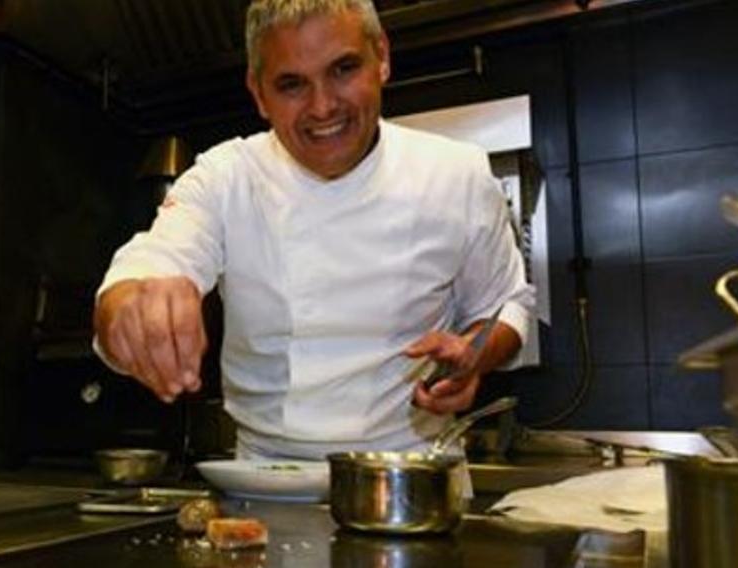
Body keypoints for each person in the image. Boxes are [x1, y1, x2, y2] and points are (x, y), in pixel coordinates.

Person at [93, 0, 533, 462]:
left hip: (413, 479)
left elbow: (507, 306)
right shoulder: (226, 177)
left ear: (381, 56)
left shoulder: (456, 174)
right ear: (259, 94)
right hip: (263, 485)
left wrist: (474, 353)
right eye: (291, 85)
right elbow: (147, 268)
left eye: (343, 68)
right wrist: (130, 308)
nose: (323, 107)